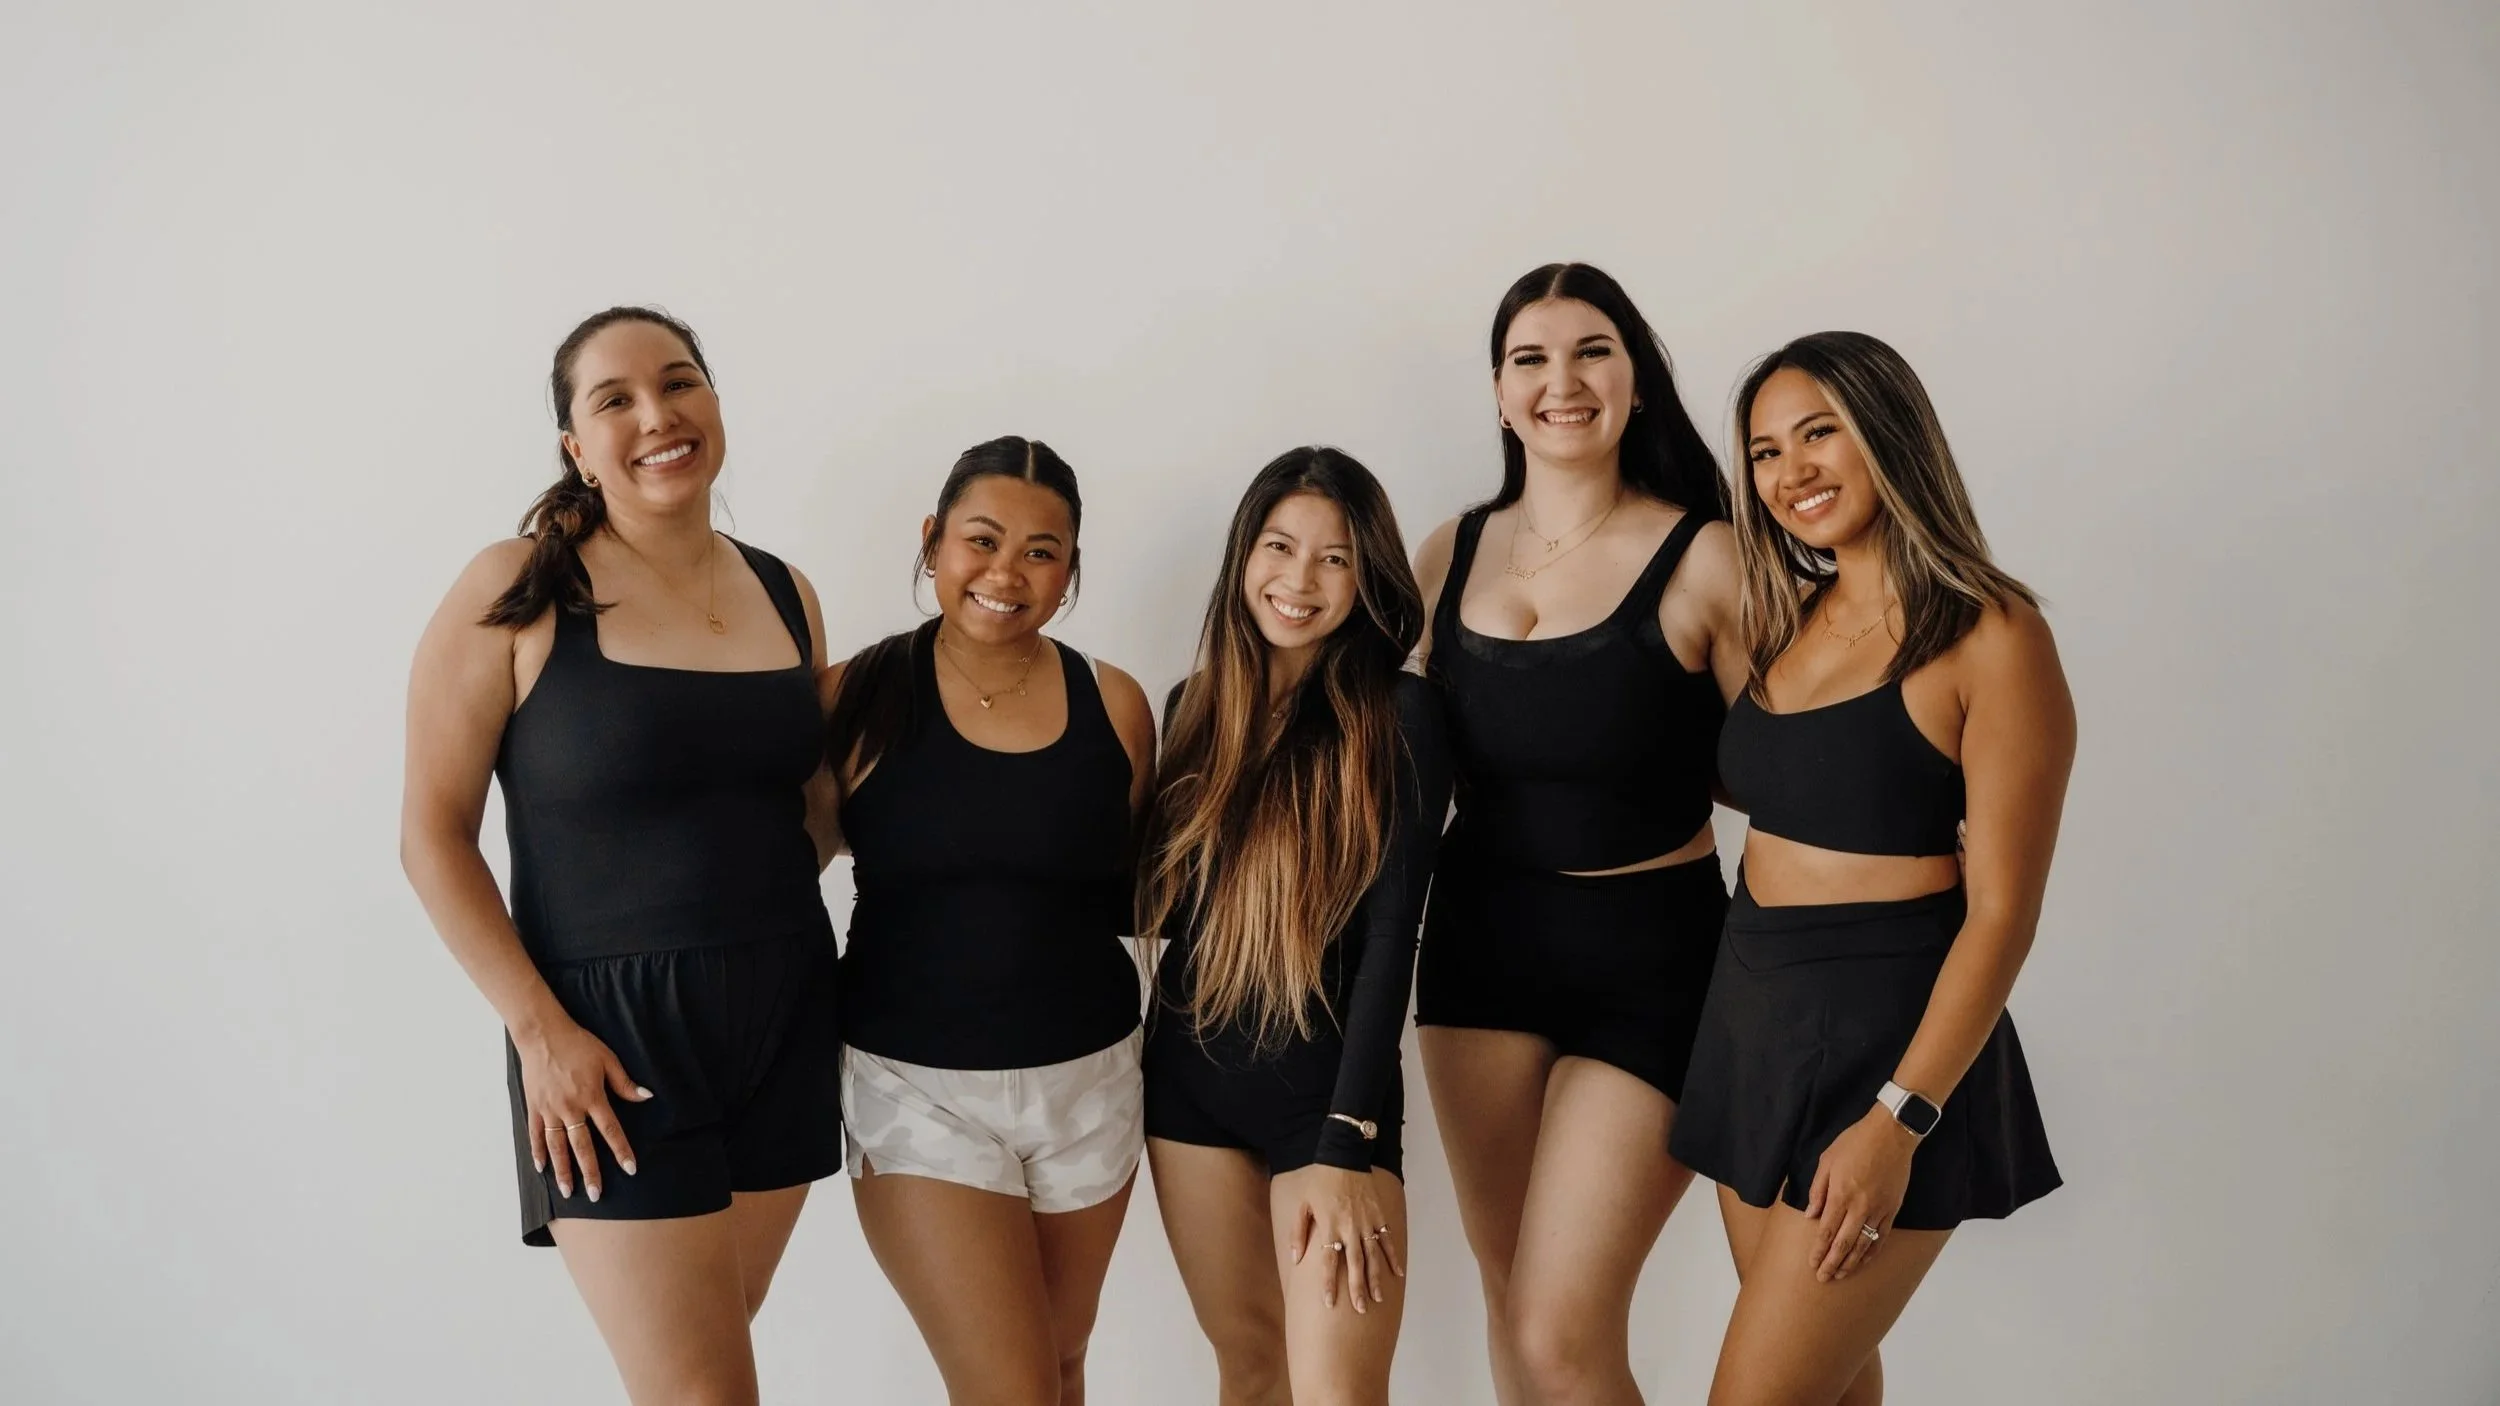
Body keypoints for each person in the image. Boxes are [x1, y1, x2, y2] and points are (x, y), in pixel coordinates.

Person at [400, 306, 842, 1405]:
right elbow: (432, 835)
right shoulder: (515, 588)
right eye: (616, 399)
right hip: (610, 1044)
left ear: (714, 401)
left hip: (787, 1016)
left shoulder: (786, 592)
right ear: (577, 446)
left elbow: (810, 812)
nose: (658, 414)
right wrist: (539, 1035)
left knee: (705, 1365)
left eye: (679, 382)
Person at [1671, 331, 2070, 1406]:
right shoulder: (1788, 619)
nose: (1789, 472)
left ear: (1888, 432)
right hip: (1752, 1024)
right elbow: (1794, 783)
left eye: (1818, 433)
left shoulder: (1992, 634)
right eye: (1764, 452)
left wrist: (1901, 1117)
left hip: (1884, 1046)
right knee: (1833, 1387)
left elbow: (2003, 916)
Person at [1411, 262, 1748, 1405]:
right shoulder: (1444, 551)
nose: (1562, 380)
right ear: (1499, 393)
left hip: (1652, 965)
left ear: (1637, 379)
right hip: (1478, 949)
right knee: (1511, 1301)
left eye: (1592, 350)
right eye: (1530, 358)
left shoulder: (1706, 554)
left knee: (1559, 1330)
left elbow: (1790, 765)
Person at [820, 436, 1157, 1406]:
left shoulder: (1115, 702)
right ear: (933, 539)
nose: (1007, 573)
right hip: (916, 1092)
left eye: (1042, 551)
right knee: (1011, 1388)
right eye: (982, 539)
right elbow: (768, 867)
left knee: (1060, 1363)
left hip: (1092, 1082)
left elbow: (1135, 893)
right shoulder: (853, 694)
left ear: (1071, 569)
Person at [1138, 447, 1452, 1406]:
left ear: (1368, 577)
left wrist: (1349, 1138)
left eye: (1335, 558)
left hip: (1326, 1102)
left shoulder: (1399, 713)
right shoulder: (1193, 708)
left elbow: (1396, 934)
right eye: (1280, 547)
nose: (1300, 579)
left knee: (1337, 1396)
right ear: (1245, 555)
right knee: (1249, 1374)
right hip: (1187, 1093)